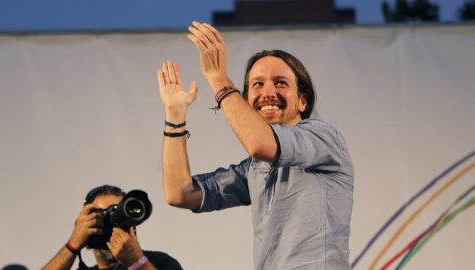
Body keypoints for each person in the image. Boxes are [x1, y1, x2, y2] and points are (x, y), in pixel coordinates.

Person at [158, 21, 354, 270]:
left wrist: (218, 78)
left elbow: (260, 143)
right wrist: (175, 115)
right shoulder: (255, 169)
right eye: (257, 84)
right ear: (247, 100)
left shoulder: (324, 135)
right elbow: (179, 194)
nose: (268, 93)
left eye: (281, 83)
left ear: (303, 101)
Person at [42, 185, 183, 270]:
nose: (112, 224)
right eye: (103, 217)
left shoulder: (159, 262)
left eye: (118, 215)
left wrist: (138, 263)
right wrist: (73, 245)